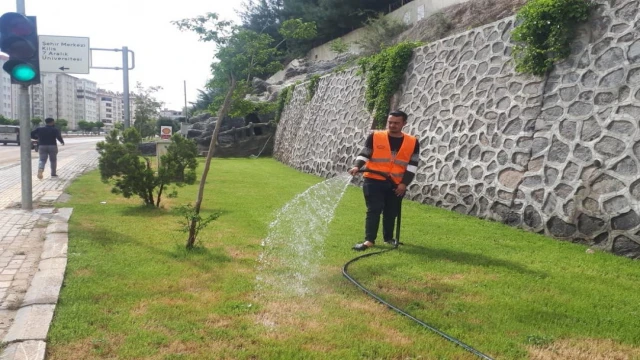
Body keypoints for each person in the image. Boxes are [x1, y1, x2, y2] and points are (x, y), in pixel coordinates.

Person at [348, 110, 420, 251]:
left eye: (396, 123)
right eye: (390, 122)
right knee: (374, 209)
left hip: (396, 183)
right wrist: (357, 166)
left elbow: (412, 165)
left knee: (391, 212)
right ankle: (369, 240)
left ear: (404, 123)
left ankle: (388, 238)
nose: (392, 125)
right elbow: (365, 153)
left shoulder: (413, 142)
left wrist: (404, 184)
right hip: (373, 180)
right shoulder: (375, 136)